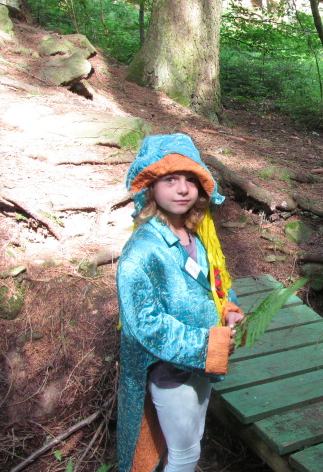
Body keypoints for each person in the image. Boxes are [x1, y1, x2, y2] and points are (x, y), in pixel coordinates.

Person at [116, 133, 244, 472]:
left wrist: (228, 308)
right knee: (184, 454)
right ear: (150, 188)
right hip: (170, 372)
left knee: (192, 441)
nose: (183, 189)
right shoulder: (142, 251)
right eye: (170, 179)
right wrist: (207, 344)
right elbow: (145, 324)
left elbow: (215, 281)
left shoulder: (195, 235)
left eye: (190, 179)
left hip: (201, 365)